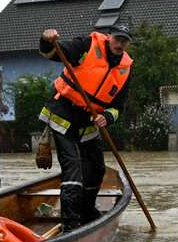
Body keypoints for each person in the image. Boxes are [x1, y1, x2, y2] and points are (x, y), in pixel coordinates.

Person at [38, 21, 133, 230]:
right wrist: (47, 41)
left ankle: (87, 210)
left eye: (124, 41)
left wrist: (107, 116)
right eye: (117, 39)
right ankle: (70, 224)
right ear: (109, 37)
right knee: (73, 169)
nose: (120, 44)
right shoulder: (88, 45)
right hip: (63, 113)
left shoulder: (125, 68)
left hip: (88, 120)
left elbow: (119, 106)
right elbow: (55, 53)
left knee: (97, 168)